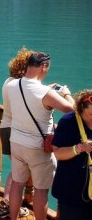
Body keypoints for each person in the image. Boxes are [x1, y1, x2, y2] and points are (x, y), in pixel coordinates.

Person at [2, 52, 74, 220]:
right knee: (41, 190)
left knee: (17, 185)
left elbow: (30, 92)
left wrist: (47, 89)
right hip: (37, 148)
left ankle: (13, 218)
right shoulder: (45, 93)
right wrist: (65, 93)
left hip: (16, 142)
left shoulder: (12, 85)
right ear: (44, 66)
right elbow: (71, 110)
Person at [0, 47, 32, 218]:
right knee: (20, 171)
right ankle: (11, 205)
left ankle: (7, 200)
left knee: (16, 169)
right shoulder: (20, 86)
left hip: (5, 126)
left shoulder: (8, 82)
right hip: (16, 129)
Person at [51, 89, 92, 219]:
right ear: (81, 108)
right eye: (91, 114)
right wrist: (80, 148)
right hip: (71, 190)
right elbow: (57, 153)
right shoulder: (68, 122)